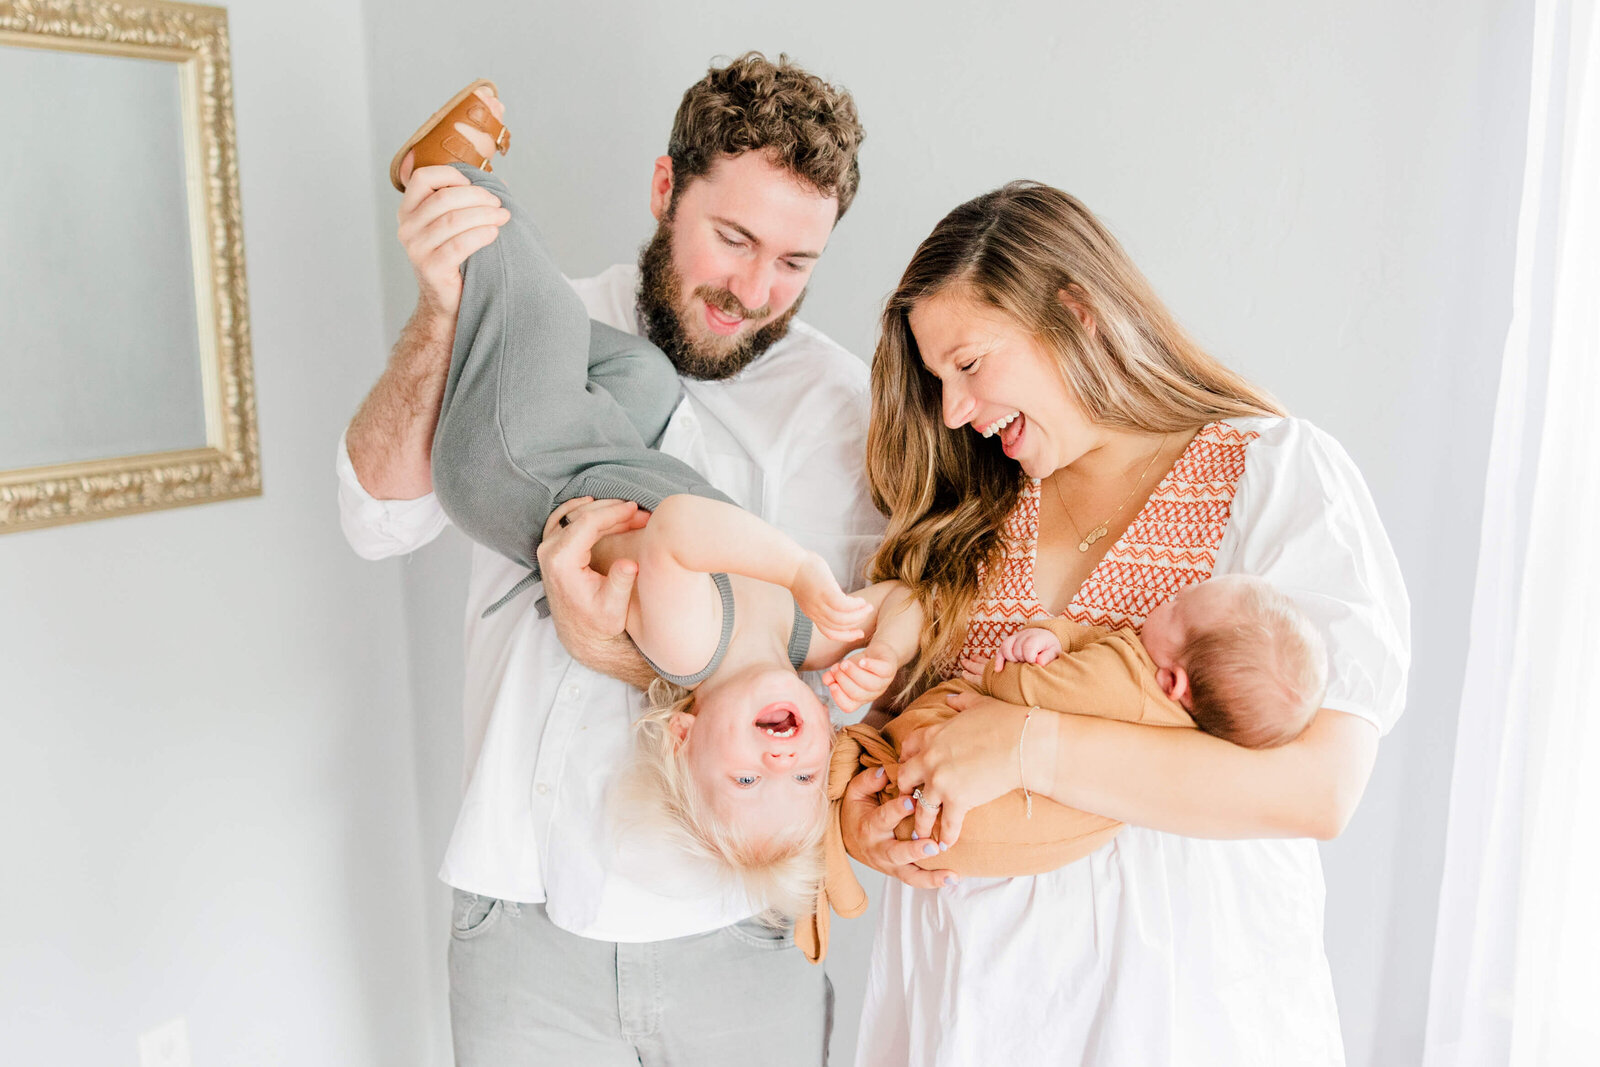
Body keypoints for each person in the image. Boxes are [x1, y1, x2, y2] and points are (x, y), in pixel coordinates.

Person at [337, 54, 881, 1065]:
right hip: (524, 925)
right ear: (665, 189)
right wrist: (443, 315)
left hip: (738, 935)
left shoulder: (848, 410)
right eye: (733, 238)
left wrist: (637, 654)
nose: (756, 288)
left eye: (796, 263)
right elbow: (377, 518)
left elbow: (837, 677)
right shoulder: (542, 309)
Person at [842, 181, 1410, 1065]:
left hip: (1180, 1014)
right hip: (967, 1010)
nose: (952, 409)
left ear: (1075, 312)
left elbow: (1319, 789)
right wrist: (862, 817)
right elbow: (887, 731)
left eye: (970, 363)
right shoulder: (966, 509)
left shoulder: (1273, 476)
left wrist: (1028, 744)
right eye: (936, 378)